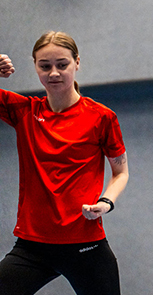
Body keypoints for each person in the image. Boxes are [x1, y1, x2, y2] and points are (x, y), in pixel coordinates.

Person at [0, 32, 129, 295]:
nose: (54, 73)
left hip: (85, 244)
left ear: (77, 63)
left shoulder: (102, 117)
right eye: (45, 66)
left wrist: (106, 202)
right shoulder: (24, 112)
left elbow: (121, 172)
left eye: (62, 64)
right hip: (32, 246)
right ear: (35, 66)